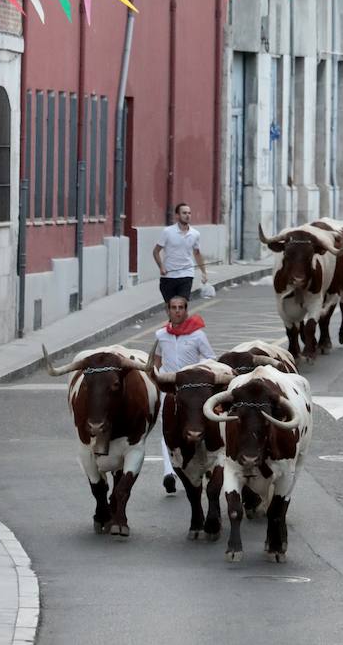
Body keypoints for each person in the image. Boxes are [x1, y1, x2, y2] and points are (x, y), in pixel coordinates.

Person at [154, 294, 216, 495]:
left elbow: (210, 358)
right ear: (168, 311)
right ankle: (168, 473)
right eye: (174, 307)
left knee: (198, 429)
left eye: (181, 307)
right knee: (167, 430)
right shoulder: (161, 335)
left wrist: (199, 373)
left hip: (193, 392)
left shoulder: (197, 335)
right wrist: (157, 381)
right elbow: (156, 362)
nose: (177, 311)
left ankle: (204, 467)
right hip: (171, 390)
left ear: (186, 310)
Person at [153, 202, 208, 305]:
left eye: (189, 213)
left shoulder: (195, 234)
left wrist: (204, 272)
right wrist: (161, 267)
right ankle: (172, 320)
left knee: (181, 305)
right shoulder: (168, 232)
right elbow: (156, 252)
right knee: (171, 307)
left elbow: (197, 254)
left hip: (186, 274)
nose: (187, 215)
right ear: (177, 215)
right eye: (184, 213)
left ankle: (178, 320)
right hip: (169, 275)